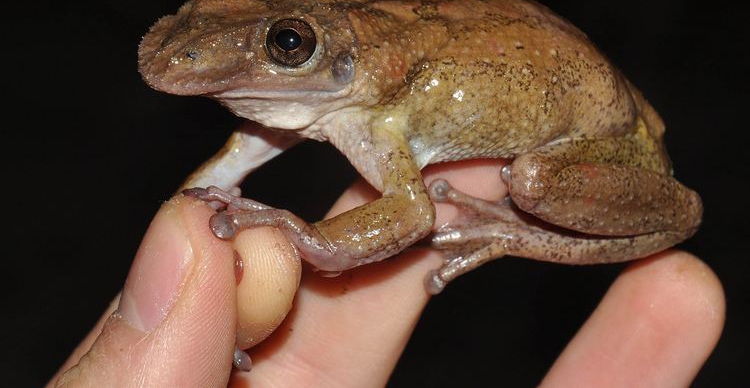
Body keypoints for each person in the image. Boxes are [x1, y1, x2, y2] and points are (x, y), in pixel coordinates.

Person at [48, 160, 724, 387]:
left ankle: (514, 229)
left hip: (593, 151)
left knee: (531, 179)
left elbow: (409, 211)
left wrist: (305, 236)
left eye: (287, 48)